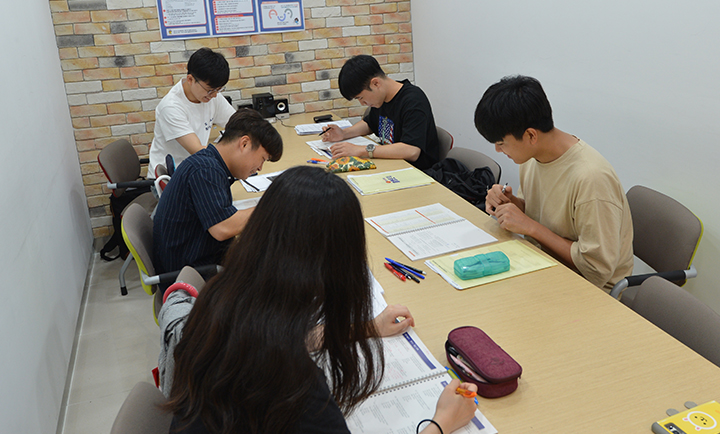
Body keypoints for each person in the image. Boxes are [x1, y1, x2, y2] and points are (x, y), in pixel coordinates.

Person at [163, 166, 478, 434]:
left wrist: (367, 327)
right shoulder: (291, 385)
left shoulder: (228, 296)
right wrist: (441, 423)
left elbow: (294, 338)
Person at [475, 75, 633, 291]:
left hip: (589, 289)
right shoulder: (531, 157)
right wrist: (511, 204)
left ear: (531, 135)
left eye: (501, 143)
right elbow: (542, 216)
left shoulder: (591, 178)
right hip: (541, 263)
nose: (497, 150)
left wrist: (531, 227)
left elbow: (595, 269)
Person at [153, 109, 282, 281]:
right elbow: (222, 228)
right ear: (244, 143)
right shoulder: (205, 170)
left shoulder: (210, 163)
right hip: (190, 276)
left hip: (195, 260)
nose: (260, 168)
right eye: (263, 159)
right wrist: (273, 205)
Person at [320, 55, 440, 170]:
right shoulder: (382, 98)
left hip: (417, 172)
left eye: (360, 97)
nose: (362, 103)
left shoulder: (413, 100)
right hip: (391, 165)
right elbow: (369, 124)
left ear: (376, 83)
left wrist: (361, 150)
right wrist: (343, 133)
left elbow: (411, 151)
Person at [148, 47, 237, 178]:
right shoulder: (171, 107)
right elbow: (198, 150)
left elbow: (237, 122)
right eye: (210, 90)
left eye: (219, 90)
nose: (214, 95)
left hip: (196, 170)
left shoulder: (210, 96)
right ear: (190, 79)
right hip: (171, 179)